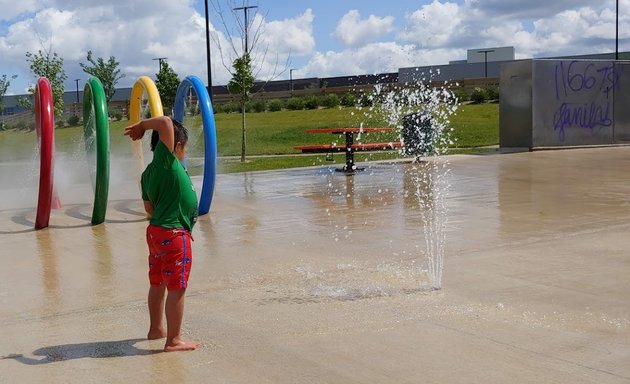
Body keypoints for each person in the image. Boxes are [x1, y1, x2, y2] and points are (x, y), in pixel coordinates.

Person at [124, 116, 199, 352]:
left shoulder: (148, 174)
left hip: (156, 233)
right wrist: (142, 127)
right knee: (177, 286)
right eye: (184, 148)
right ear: (176, 146)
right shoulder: (168, 162)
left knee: (157, 282)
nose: (184, 154)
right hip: (174, 234)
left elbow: (149, 209)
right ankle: (174, 340)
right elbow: (166, 122)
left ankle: (156, 328)